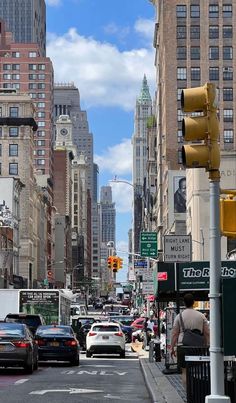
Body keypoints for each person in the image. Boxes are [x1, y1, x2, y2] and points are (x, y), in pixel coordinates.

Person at [170, 293, 210, 388]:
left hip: (182, 346)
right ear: (193, 302)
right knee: (197, 369)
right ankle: (197, 391)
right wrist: (207, 345)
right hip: (197, 347)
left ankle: (188, 393)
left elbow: (174, 334)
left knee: (184, 371)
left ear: (184, 303)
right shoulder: (201, 316)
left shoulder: (179, 316)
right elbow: (207, 333)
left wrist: (172, 347)